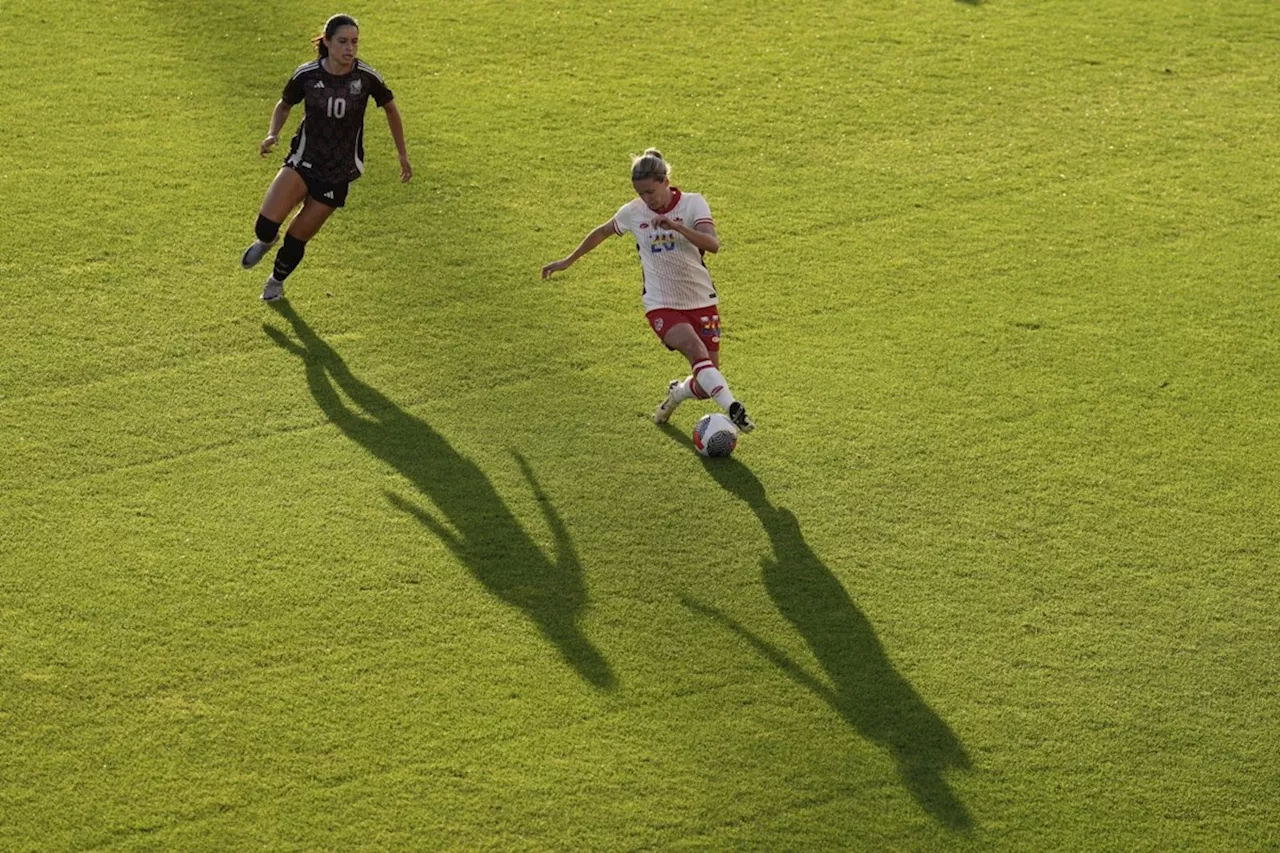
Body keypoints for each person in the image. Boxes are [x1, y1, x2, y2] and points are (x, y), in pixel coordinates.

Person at [541, 149, 755, 432]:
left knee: (706, 382)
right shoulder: (634, 212)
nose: (646, 199)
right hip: (661, 303)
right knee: (694, 349)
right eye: (640, 193)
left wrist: (677, 227)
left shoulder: (693, 204)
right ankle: (733, 408)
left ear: (666, 180)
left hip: (701, 301)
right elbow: (602, 231)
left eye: (650, 191)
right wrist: (568, 260)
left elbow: (712, 244)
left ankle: (677, 393)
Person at [241, 13, 412, 302]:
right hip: (303, 160)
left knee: (297, 239)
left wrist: (402, 155)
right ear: (328, 42)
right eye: (343, 41)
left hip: (338, 171)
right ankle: (267, 240)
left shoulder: (367, 77)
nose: (350, 48)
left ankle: (275, 283)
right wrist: (273, 134)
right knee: (265, 226)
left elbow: (391, 109)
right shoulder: (307, 75)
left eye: (355, 42)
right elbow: (284, 105)